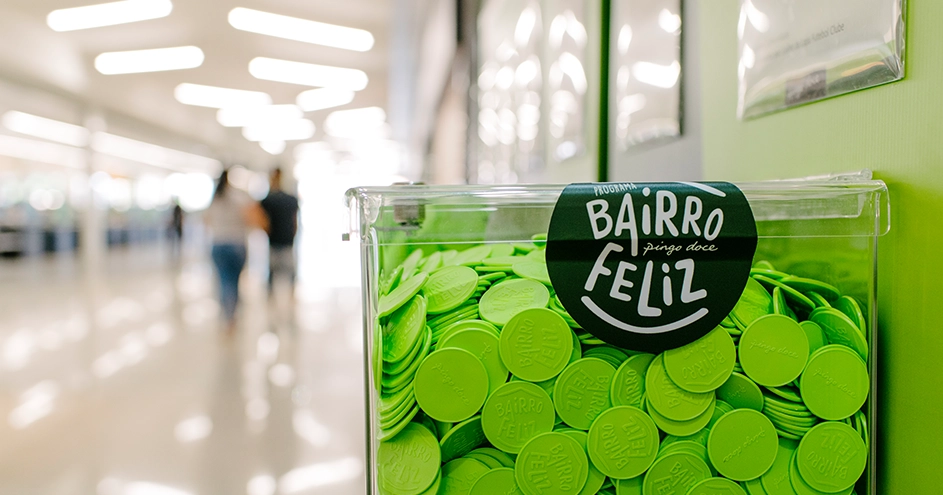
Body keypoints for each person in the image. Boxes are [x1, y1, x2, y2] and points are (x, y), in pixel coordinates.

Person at [204, 169, 268, 334]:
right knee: (233, 282)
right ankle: (231, 317)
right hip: (236, 244)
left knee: (223, 281)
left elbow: (206, 221)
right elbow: (255, 219)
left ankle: (227, 315)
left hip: (218, 244)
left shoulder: (214, 199)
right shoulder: (240, 197)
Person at [259, 167, 300, 298]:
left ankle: (276, 296)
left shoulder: (269, 200)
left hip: (280, 241)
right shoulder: (286, 199)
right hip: (280, 241)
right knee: (281, 272)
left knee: (277, 272)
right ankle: (286, 296)